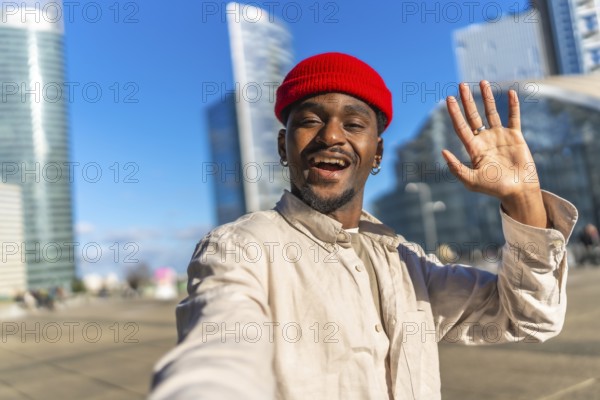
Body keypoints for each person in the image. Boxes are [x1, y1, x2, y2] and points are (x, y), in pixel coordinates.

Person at [150, 52, 578, 399]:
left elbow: (528, 320)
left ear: (376, 153)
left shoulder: (408, 265)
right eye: (310, 120)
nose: (331, 136)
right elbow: (218, 356)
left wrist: (522, 199)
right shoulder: (240, 248)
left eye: (353, 124)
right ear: (284, 145)